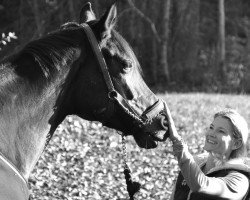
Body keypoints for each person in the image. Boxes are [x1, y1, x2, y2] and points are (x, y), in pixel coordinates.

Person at [162, 104, 250, 200]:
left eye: (221, 131)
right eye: (211, 127)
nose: (211, 133)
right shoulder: (194, 163)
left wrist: (177, 141)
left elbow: (201, 185)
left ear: (236, 143)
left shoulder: (239, 180)